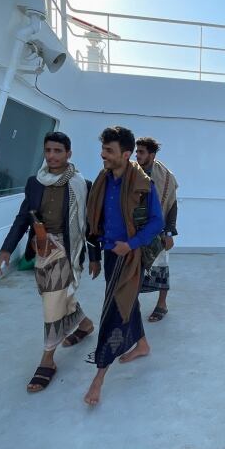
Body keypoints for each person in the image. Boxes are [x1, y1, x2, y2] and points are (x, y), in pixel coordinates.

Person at [0, 131, 94, 393]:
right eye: (48, 150)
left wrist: (96, 255)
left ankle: (47, 360)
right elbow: (23, 217)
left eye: (57, 151)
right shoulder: (34, 182)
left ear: (68, 154)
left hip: (68, 250)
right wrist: (6, 249)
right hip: (42, 249)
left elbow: (93, 226)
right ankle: (84, 324)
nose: (51, 156)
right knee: (59, 295)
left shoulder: (82, 185)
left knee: (53, 301)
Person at [83, 126, 164, 406]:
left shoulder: (143, 185)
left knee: (114, 312)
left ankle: (99, 377)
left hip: (129, 257)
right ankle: (142, 344)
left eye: (109, 150)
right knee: (128, 302)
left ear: (125, 154)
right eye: (103, 148)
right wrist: (94, 257)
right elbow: (94, 222)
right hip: (109, 254)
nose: (102, 154)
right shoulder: (102, 181)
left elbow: (157, 222)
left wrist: (131, 244)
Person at [135, 137, 179, 322]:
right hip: (135, 231)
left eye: (141, 152)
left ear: (151, 155)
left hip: (158, 230)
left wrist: (169, 232)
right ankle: (131, 305)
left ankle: (162, 305)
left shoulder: (166, 176)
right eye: (137, 151)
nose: (137, 155)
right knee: (133, 269)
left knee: (161, 268)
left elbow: (172, 205)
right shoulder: (130, 171)